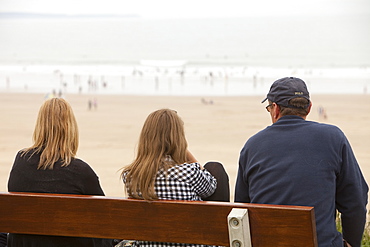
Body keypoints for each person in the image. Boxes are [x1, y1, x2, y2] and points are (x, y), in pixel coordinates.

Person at [234, 77, 368, 247]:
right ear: (309, 108)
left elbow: (241, 207)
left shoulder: (252, 146)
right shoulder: (333, 137)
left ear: (275, 109)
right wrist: (352, 243)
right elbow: (355, 201)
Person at [7, 98, 113, 247]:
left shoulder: (21, 161)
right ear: (70, 128)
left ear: (40, 126)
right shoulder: (81, 172)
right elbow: (105, 220)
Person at [120, 108, 229, 247]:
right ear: (178, 138)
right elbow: (212, 188)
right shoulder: (189, 172)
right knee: (215, 168)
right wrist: (186, 153)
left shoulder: (131, 176)